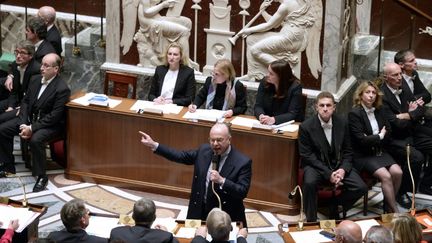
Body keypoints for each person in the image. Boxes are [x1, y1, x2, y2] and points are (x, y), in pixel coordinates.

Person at [139, 122, 252, 227]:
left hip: (224, 215)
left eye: (219, 140)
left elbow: (242, 191)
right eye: (212, 140)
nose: (215, 144)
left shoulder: (242, 162)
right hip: (199, 211)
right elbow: (180, 156)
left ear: (229, 139)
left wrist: (222, 181)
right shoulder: (204, 151)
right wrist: (154, 145)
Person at [0, 53, 70, 193]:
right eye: (42, 64)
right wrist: (24, 122)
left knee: (36, 140)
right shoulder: (36, 80)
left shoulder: (62, 88)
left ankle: (41, 176)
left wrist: (31, 128)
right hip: (31, 119)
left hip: (51, 125)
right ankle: (8, 166)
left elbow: (54, 116)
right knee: (2, 129)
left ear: (56, 69)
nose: (42, 68)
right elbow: (26, 102)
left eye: (46, 66)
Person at [298, 91, 367, 222]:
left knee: (360, 187)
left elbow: (348, 151)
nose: (325, 109)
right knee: (309, 182)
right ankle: (311, 220)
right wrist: (328, 173)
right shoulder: (305, 127)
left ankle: (333, 203)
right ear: (316, 107)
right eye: (322, 105)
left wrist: (343, 169)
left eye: (328, 105)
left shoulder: (342, 122)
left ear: (334, 107)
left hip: (338, 164)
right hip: (316, 165)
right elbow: (307, 155)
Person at [380, 62, 432, 207]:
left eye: (400, 74)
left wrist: (405, 115)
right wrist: (411, 113)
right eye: (395, 75)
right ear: (386, 78)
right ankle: (403, 192)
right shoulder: (382, 96)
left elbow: (420, 108)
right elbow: (395, 124)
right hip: (395, 138)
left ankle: (426, 184)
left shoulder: (404, 86)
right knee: (417, 157)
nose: (399, 77)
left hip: (412, 131)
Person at [348, 81, 402, 213]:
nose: (371, 95)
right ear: (361, 95)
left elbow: (388, 130)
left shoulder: (380, 110)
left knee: (397, 172)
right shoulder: (355, 114)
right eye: (367, 92)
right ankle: (393, 211)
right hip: (363, 155)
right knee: (386, 176)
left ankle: (387, 205)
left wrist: (373, 137)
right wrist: (379, 136)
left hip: (379, 151)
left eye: (373, 93)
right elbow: (361, 140)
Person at [236, 0, 322, 81]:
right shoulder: (292, 2)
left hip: (289, 39)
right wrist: (263, 11)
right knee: (251, 39)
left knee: (255, 50)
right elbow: (276, 24)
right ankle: (252, 74)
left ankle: (287, 70)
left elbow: (269, 25)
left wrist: (247, 30)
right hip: (287, 36)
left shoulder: (286, 4)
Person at [0, 40, 40, 123]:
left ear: (31, 56)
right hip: (16, 99)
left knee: (2, 119)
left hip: (27, 104)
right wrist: (11, 106)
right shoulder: (16, 64)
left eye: (22, 53)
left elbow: (32, 95)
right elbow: (14, 91)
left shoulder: (36, 70)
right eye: (16, 52)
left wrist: (22, 106)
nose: (18, 56)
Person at [254, 60, 304, 125]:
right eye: (268, 72)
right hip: (265, 124)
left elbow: (293, 113)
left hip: (287, 125)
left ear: (281, 76)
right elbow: (258, 106)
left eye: (271, 74)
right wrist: (261, 116)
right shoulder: (265, 82)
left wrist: (273, 119)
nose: (267, 75)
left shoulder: (295, 87)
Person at [110, 198, 178, 243]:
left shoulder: (116, 233)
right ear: (154, 218)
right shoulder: (165, 237)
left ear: (133, 216)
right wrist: (165, 233)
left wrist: (126, 229)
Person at [148, 42, 196, 106]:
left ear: (181, 56)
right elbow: (151, 94)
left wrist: (171, 101)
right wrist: (155, 99)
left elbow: (190, 98)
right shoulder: (159, 70)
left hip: (174, 106)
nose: (172, 57)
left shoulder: (188, 73)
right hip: (158, 104)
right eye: (169, 54)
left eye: (175, 54)